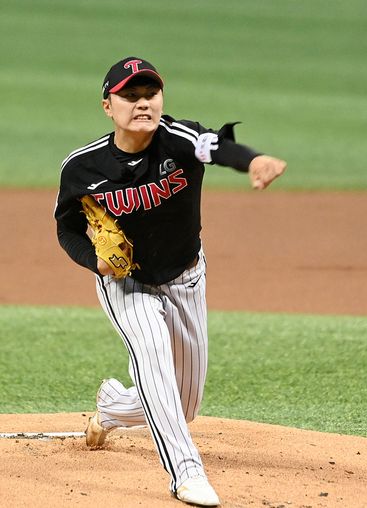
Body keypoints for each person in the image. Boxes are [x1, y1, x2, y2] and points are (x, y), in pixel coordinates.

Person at [54, 56, 286, 507]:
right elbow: (66, 228)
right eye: (130, 96)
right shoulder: (82, 168)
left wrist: (253, 160)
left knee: (185, 405)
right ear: (108, 106)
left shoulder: (179, 139)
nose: (143, 103)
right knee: (153, 358)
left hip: (186, 278)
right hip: (127, 284)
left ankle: (113, 406)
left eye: (150, 94)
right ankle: (185, 472)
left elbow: (217, 147)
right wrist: (94, 262)